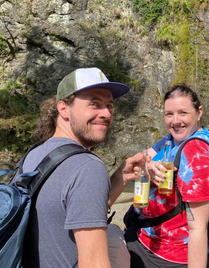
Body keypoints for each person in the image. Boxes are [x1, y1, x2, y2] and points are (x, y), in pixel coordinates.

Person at [22, 67, 144, 268]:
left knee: (112, 232)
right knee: (115, 237)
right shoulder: (87, 167)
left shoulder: (35, 155)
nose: (106, 114)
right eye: (94, 104)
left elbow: (76, 210)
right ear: (63, 108)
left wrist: (120, 176)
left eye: (109, 106)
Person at [124, 84, 209, 268]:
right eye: (169, 114)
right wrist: (149, 165)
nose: (175, 121)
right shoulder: (172, 139)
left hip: (169, 254)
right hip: (148, 235)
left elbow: (198, 228)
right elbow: (141, 158)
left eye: (183, 113)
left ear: (198, 112)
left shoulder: (196, 154)